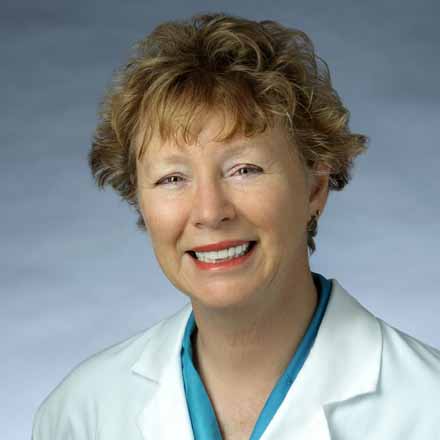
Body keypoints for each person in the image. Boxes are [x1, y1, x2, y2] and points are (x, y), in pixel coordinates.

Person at [32, 12, 440, 440]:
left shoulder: (428, 407)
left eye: (244, 169)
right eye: (172, 178)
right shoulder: (80, 415)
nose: (210, 212)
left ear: (315, 187)